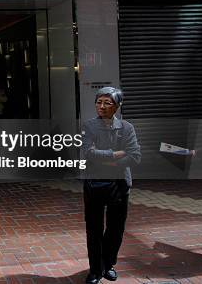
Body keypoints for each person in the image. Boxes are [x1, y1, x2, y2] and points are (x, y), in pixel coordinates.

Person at [80, 87, 141, 284]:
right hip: (94, 184)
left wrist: (107, 160)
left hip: (120, 184)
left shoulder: (126, 128)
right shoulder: (88, 126)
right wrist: (115, 154)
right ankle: (96, 270)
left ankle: (108, 264)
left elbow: (135, 156)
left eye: (107, 103)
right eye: (99, 102)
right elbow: (87, 153)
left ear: (117, 106)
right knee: (94, 229)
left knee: (115, 228)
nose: (102, 106)